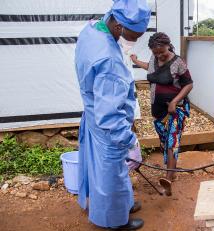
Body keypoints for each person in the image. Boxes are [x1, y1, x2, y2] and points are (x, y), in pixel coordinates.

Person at [74, 0, 151, 230]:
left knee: (108, 170)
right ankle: (115, 222)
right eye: (134, 35)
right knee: (111, 175)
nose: (135, 40)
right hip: (108, 127)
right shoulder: (109, 62)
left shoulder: (92, 30)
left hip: (94, 114)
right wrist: (129, 140)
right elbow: (110, 115)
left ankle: (122, 205)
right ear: (118, 25)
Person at [130, 32, 193, 196]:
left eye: (162, 52)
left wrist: (174, 101)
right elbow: (150, 68)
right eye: (155, 52)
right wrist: (136, 61)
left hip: (175, 110)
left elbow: (189, 85)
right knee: (165, 142)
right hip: (158, 111)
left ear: (168, 46)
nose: (159, 55)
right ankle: (172, 169)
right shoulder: (154, 59)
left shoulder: (178, 62)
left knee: (172, 142)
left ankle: (168, 180)